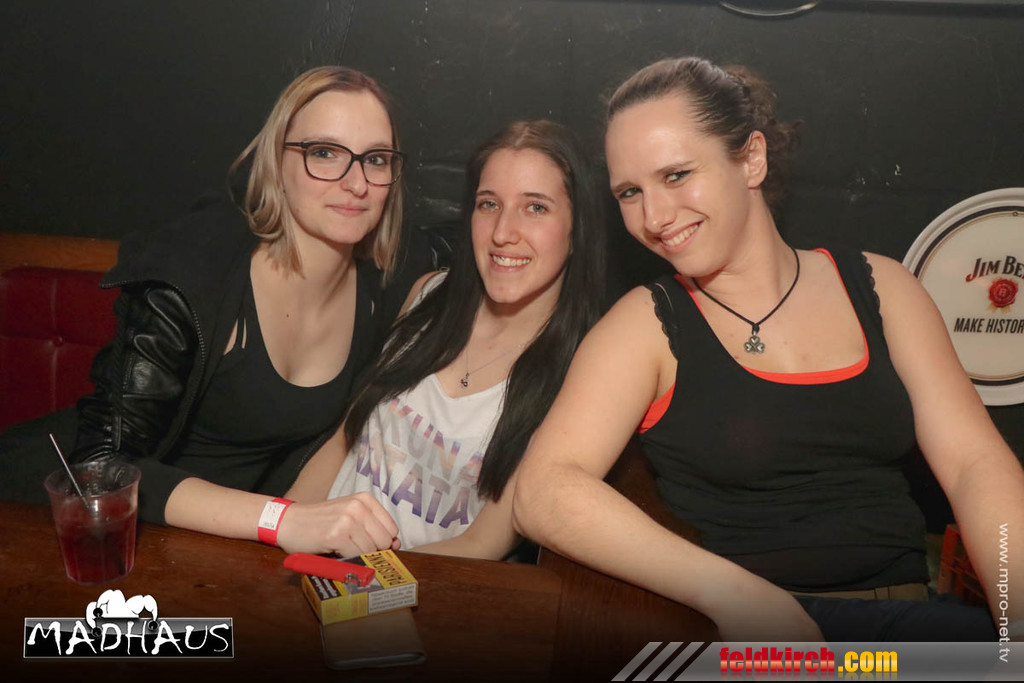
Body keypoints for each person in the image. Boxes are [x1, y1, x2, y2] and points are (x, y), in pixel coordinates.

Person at [510, 56, 1024, 641]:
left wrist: (1016, 628)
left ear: (751, 158)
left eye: (676, 175)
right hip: (754, 638)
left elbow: (975, 465)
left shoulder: (883, 289)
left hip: (904, 634)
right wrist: (735, 596)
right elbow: (543, 491)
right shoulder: (645, 325)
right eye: (630, 192)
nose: (654, 216)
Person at [0, 66, 415, 547]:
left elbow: (476, 249)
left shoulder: (384, 283)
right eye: (324, 153)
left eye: (376, 159)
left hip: (224, 544)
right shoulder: (194, 271)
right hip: (63, 519)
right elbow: (101, 468)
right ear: (275, 161)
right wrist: (281, 519)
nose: (357, 183)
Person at [276, 120, 607, 559]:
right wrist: (280, 539)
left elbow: (482, 544)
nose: (502, 232)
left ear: (577, 229)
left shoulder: (579, 374)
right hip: (314, 561)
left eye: (535, 208)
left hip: (419, 590)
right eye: (488, 204)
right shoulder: (427, 295)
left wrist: (367, 586)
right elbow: (343, 442)